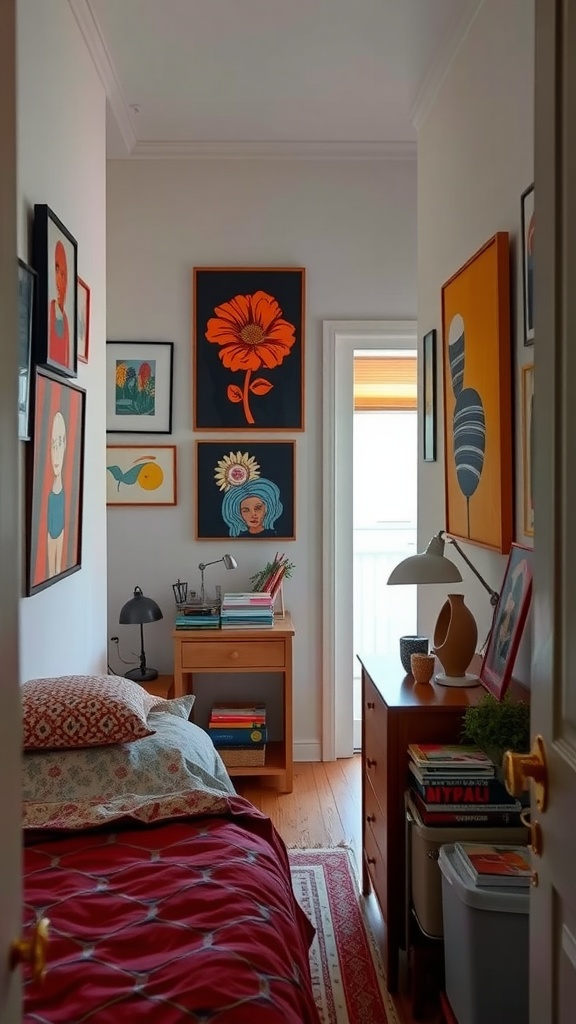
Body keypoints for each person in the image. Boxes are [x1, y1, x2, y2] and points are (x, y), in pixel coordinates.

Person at [47, 410, 66, 577]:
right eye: (53, 445)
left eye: (60, 443)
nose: (56, 454)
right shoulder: (49, 496)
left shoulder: (63, 494)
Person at [48, 239, 70, 368]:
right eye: (57, 271)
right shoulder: (49, 312)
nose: (60, 281)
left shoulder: (65, 321)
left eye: (63, 274)